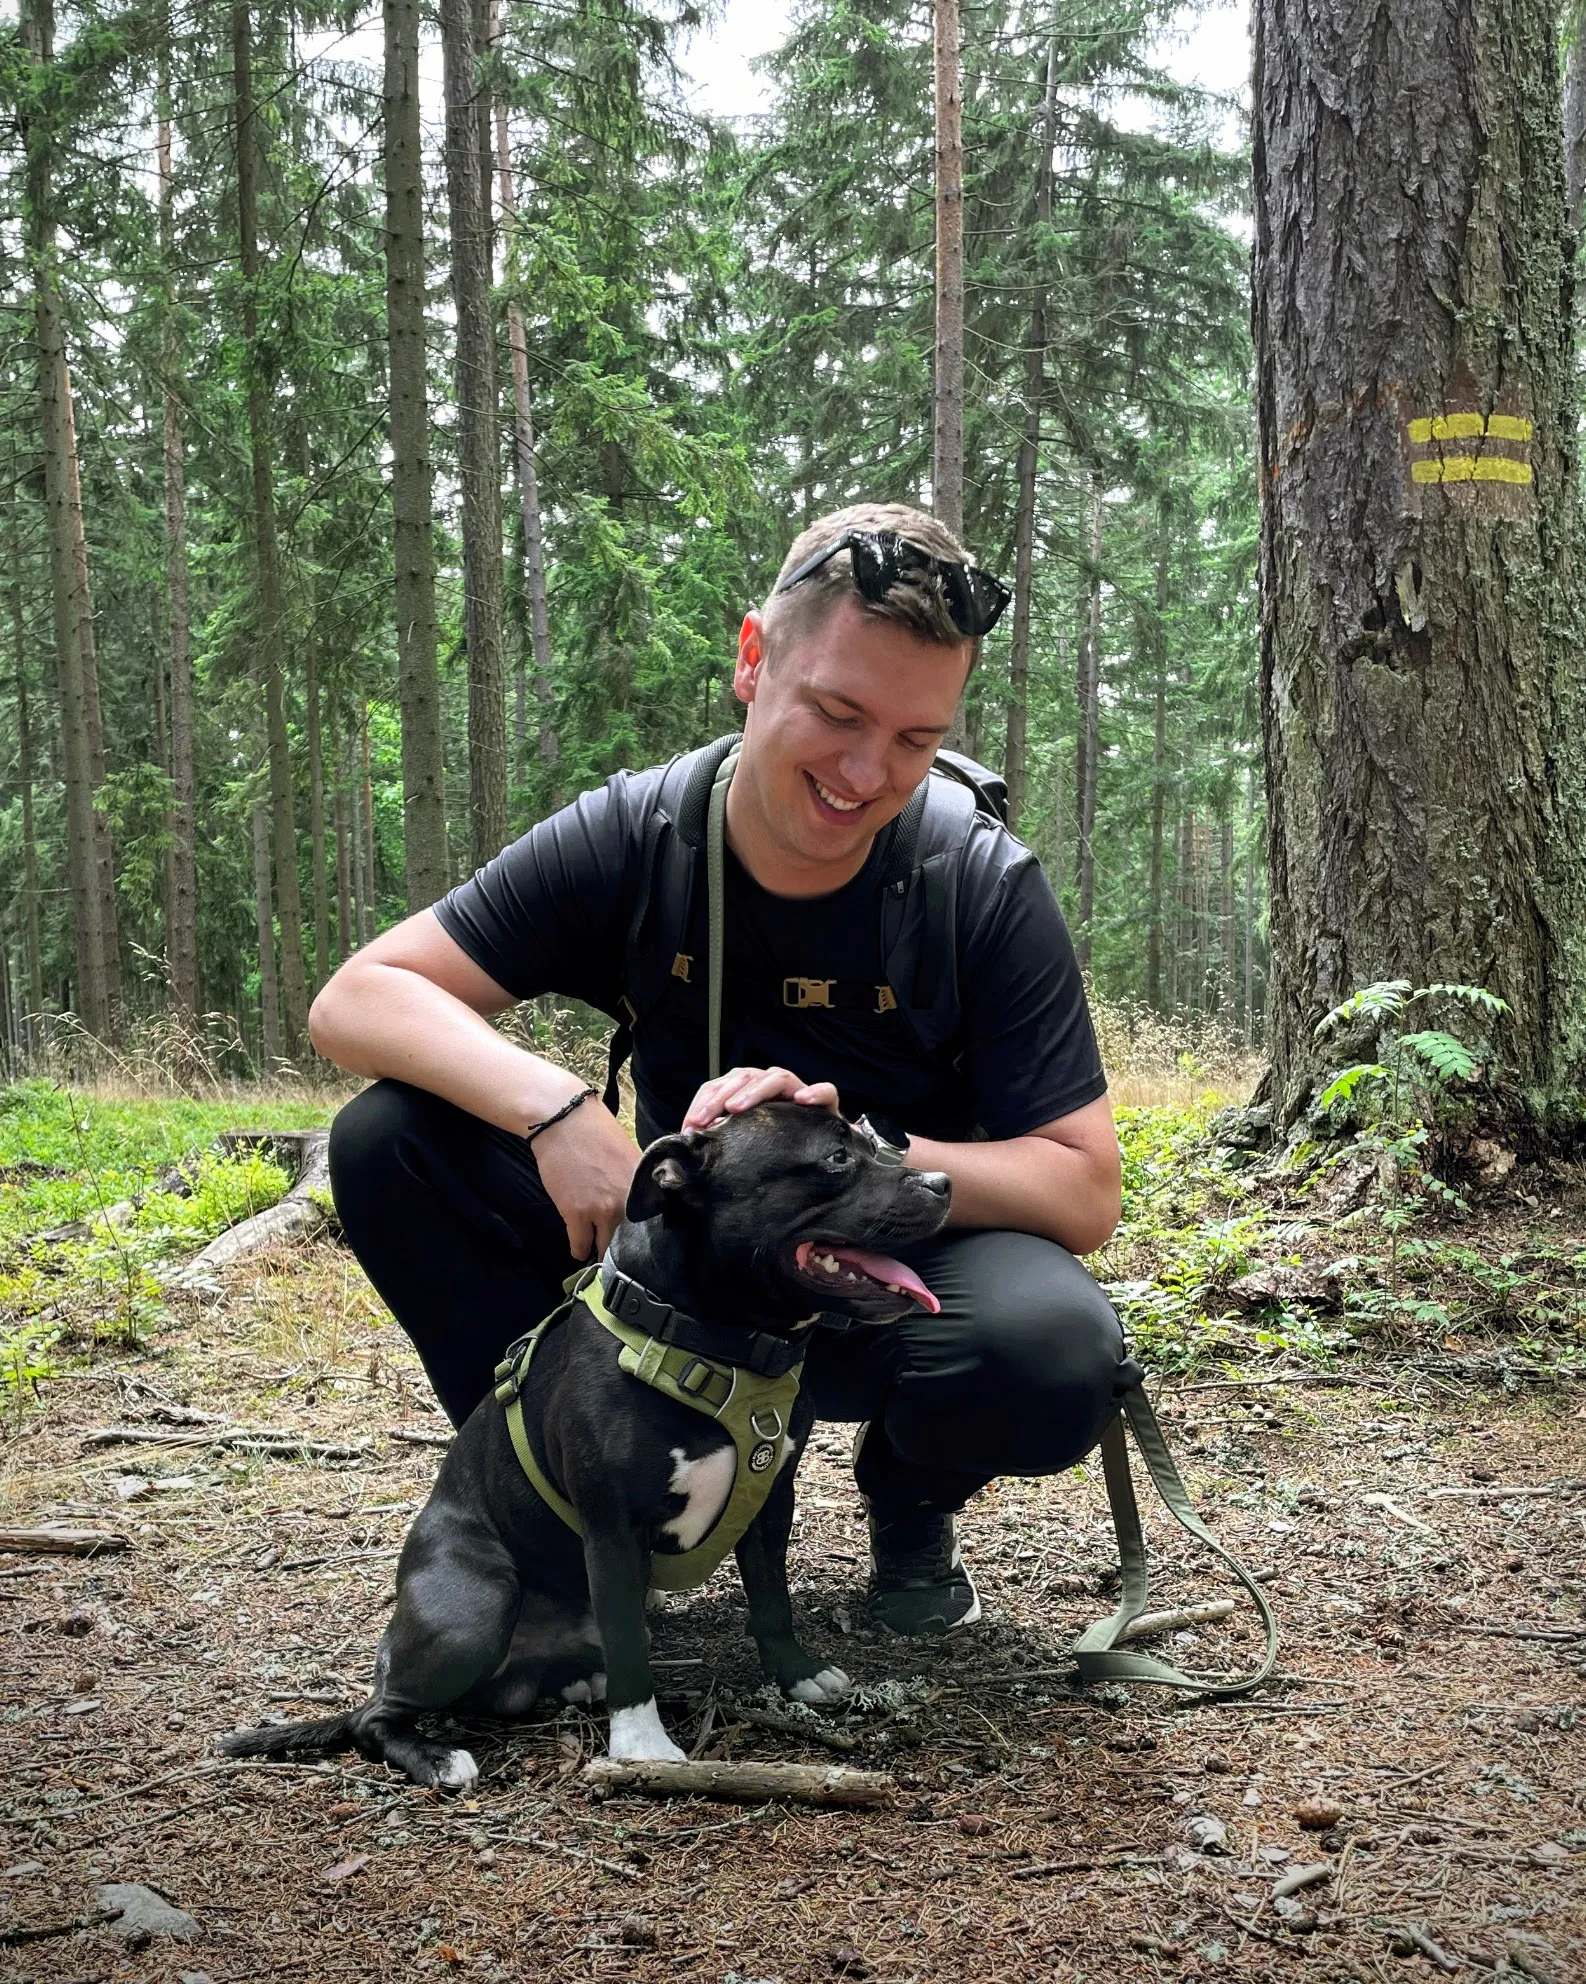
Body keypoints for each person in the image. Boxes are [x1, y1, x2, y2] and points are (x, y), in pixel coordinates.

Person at [312, 501, 1130, 1637]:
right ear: (753, 660)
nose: (864, 771)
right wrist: (557, 1113)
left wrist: (862, 1157)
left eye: (912, 738)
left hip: (888, 1279)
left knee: (1051, 1353)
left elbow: (1083, 1187)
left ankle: (908, 1499)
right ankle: (559, 1505)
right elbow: (356, 997)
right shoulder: (638, 836)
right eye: (837, 712)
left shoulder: (974, 881)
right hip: (682, 1282)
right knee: (387, 1141)